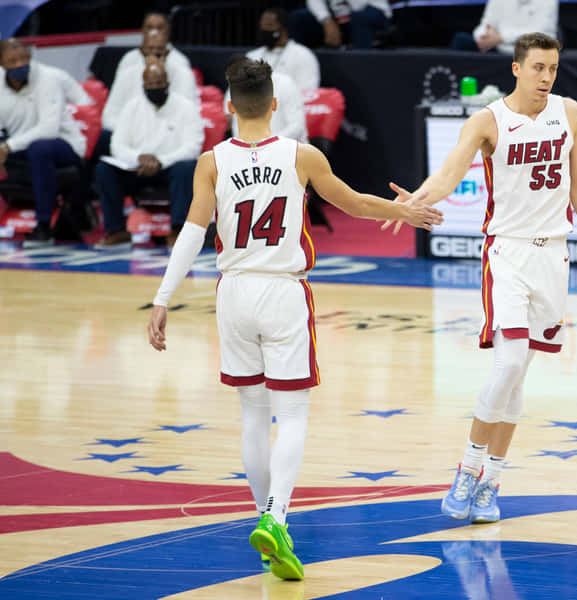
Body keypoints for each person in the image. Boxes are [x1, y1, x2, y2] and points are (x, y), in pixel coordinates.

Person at [146, 58, 442, 579]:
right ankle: (277, 518)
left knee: (253, 416)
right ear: (275, 104)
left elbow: (191, 234)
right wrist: (404, 211)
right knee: (295, 415)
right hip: (283, 291)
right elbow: (352, 203)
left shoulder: (212, 162)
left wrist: (163, 298)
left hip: (233, 292)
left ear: (230, 106)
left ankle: (267, 525)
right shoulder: (301, 156)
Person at [385, 33, 577, 523]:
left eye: (554, 68)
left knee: (520, 372)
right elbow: (450, 174)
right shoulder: (488, 121)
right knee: (510, 360)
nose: (547, 77)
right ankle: (468, 468)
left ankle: (491, 483)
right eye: (538, 67)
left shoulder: (570, 113)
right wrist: (417, 198)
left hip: (554, 257)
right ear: (516, 69)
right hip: (508, 254)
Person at [94, 61, 204, 248]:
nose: (155, 88)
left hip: (170, 168)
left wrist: (160, 161)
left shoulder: (186, 107)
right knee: (104, 169)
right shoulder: (132, 107)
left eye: (159, 83)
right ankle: (117, 231)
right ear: (143, 85)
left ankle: (178, 230)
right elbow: (117, 145)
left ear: (168, 83)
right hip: (138, 169)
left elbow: (193, 146)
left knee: (187, 168)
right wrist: (138, 158)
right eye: (150, 85)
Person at [0, 39, 86, 244]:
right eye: (13, 60)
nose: (20, 64)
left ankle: (44, 225)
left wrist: (7, 146)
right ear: (2, 64)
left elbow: (49, 129)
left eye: (23, 58)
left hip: (62, 144)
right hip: (19, 144)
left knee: (39, 149)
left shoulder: (48, 78)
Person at [249, 8, 319, 94]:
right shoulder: (252, 56)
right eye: (262, 26)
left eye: (269, 25)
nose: (264, 29)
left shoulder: (303, 55)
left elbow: (308, 92)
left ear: (283, 28)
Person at [451, 0, 558, 54]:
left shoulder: (548, 1)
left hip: (530, 51)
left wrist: (501, 38)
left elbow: (539, 33)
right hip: (498, 48)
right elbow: (484, 26)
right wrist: (484, 38)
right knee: (461, 39)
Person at [113, 11, 191, 81]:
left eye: (159, 28)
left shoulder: (179, 60)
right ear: (143, 30)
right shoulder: (129, 59)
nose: (154, 32)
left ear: (168, 31)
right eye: (149, 27)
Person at [289, 0, 391, 50]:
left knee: (359, 18)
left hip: (373, 11)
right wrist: (326, 20)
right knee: (298, 17)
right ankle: (298, 60)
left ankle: (363, 65)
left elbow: (360, 5)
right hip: (337, 17)